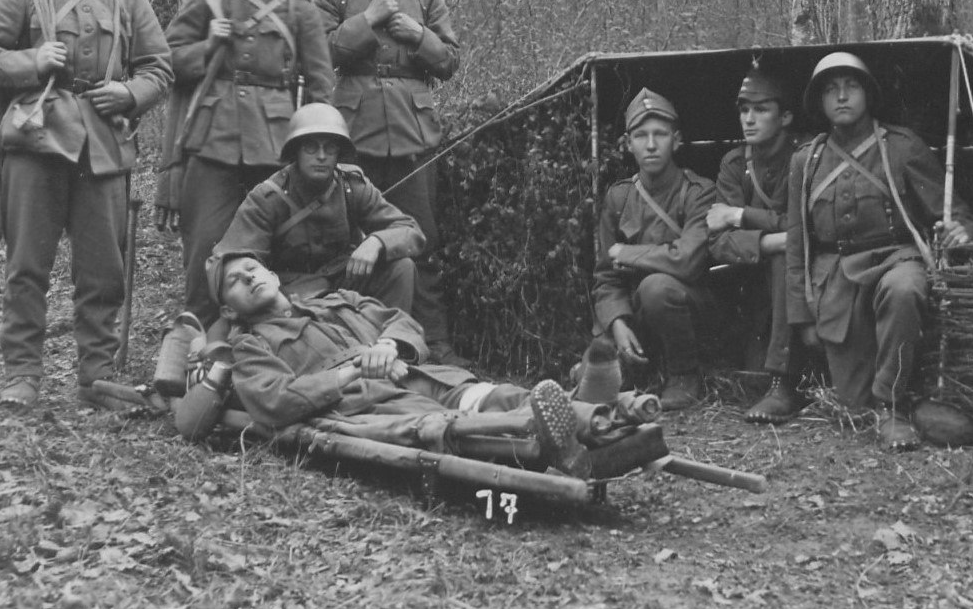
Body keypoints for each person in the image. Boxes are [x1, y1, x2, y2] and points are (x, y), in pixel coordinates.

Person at [0, 0, 173, 410]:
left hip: (104, 145)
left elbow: (159, 68)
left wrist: (128, 92)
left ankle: (95, 377)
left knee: (103, 270)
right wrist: (30, 62)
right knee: (27, 265)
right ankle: (22, 374)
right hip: (36, 141)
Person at [207, 253, 586, 474]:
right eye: (235, 281)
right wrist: (354, 370)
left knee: (490, 394)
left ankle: (593, 412)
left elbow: (400, 321)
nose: (249, 278)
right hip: (367, 403)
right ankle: (546, 437)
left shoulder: (341, 299)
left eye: (253, 269)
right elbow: (275, 401)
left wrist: (388, 344)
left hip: (415, 374)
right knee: (445, 423)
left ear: (272, 275)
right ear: (227, 308)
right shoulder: (250, 346)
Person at [786, 52, 973, 451]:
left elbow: (955, 212)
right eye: (831, 89)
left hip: (894, 260)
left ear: (867, 94)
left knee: (905, 287)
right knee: (854, 405)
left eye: (850, 86)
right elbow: (797, 243)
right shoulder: (806, 160)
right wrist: (801, 315)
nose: (841, 96)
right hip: (835, 280)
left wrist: (963, 230)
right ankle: (876, 400)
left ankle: (890, 406)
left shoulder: (901, 148)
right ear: (819, 101)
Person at [164, 0, 335, 329]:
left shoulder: (300, 11)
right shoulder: (211, 0)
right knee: (205, 243)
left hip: (276, 144)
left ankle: (269, 338)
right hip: (214, 138)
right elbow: (164, 62)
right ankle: (197, 338)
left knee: (277, 244)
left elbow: (320, 87)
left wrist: (317, 145)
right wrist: (206, 47)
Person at [312, 0, 460, 362]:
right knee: (350, 240)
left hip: (414, 134)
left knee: (423, 240)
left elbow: (451, 62)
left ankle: (433, 342)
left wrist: (419, 35)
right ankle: (353, 339)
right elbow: (317, 54)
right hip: (354, 136)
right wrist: (367, 21)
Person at [209, 103, 425, 312]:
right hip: (289, 295)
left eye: (329, 148)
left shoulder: (352, 187)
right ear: (296, 152)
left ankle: (391, 341)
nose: (321, 156)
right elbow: (227, 260)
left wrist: (377, 241)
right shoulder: (267, 198)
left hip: (346, 281)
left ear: (338, 154)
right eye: (311, 147)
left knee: (401, 268)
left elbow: (410, 230)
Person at [590, 88, 715, 411]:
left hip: (693, 309)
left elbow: (688, 261)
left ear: (676, 140)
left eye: (659, 134)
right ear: (628, 143)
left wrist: (627, 254)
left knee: (656, 287)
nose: (650, 144)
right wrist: (617, 322)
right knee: (596, 362)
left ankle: (684, 375)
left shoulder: (698, 192)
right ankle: (635, 367)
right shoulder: (619, 198)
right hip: (639, 315)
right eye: (640, 135)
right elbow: (606, 277)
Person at [706, 63, 807, 423]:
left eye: (761, 109)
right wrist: (775, 241)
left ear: (786, 116)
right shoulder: (734, 163)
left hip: (800, 277)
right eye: (744, 110)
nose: (749, 119)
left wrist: (739, 216)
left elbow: (804, 226)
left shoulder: (805, 158)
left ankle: (784, 385)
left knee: (785, 261)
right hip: (750, 279)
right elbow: (717, 242)